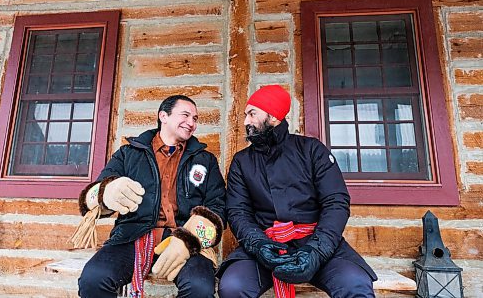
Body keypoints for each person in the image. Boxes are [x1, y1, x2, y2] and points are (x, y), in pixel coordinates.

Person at [217, 85, 377, 298]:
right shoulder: (242, 161)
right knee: (233, 286)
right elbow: (238, 212)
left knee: (354, 285)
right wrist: (259, 246)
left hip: (317, 244)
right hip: (265, 247)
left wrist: (317, 251)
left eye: (252, 114)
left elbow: (336, 202)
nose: (246, 121)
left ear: (273, 117)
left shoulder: (312, 150)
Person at [74, 95, 226, 298]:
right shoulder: (128, 154)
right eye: (186, 115)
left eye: (195, 118)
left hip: (183, 243)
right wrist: (107, 193)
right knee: (94, 279)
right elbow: (92, 198)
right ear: (163, 116)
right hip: (131, 237)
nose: (192, 123)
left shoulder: (205, 160)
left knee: (199, 287)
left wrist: (188, 240)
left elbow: (218, 206)